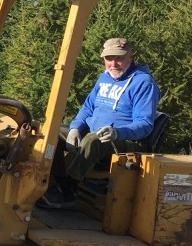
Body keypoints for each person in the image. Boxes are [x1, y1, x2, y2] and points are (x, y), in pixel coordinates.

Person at [39, 37, 160, 209]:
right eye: (109, 59)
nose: (113, 64)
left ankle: (67, 191)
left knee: (93, 140)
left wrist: (117, 132)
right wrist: (75, 128)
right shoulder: (104, 78)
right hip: (94, 132)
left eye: (119, 58)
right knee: (53, 132)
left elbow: (145, 124)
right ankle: (56, 181)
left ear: (130, 56)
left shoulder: (143, 83)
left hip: (124, 141)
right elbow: (87, 109)